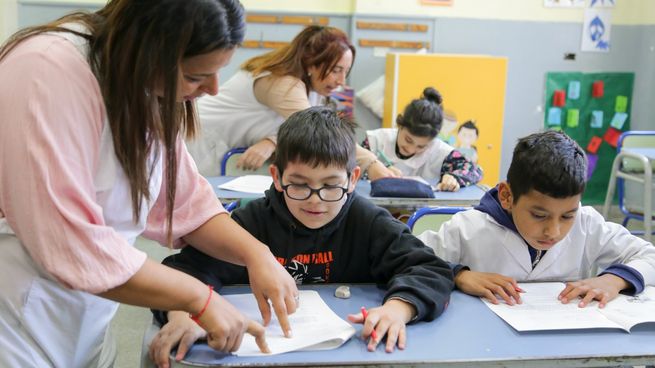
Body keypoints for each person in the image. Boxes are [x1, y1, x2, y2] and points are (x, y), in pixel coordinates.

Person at [0, 1, 299, 367]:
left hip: (83, 317)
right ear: (148, 48)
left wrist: (257, 254)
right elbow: (69, 242)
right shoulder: (45, 71)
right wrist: (198, 298)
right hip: (14, 319)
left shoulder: (142, 87)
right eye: (194, 75)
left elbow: (185, 205)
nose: (214, 89)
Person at [148, 106, 455, 365]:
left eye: (331, 185)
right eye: (299, 184)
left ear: (353, 180)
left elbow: (431, 269)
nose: (315, 199)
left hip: (348, 355)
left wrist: (397, 309)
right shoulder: (252, 222)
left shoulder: (368, 220)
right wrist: (181, 315)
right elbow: (182, 270)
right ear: (277, 178)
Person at [419, 130, 655, 307]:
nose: (553, 231)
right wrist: (459, 274)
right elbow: (408, 259)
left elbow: (649, 256)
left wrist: (614, 280)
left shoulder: (587, 224)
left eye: (567, 215)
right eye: (539, 215)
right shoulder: (467, 228)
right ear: (506, 196)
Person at [186, 25, 395, 179]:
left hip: (223, 150)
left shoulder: (313, 89)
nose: (341, 81)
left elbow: (299, 126)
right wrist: (372, 164)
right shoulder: (283, 83)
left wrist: (271, 141)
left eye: (346, 72)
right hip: (199, 141)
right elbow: (319, 132)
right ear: (311, 63)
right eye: (336, 70)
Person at [362, 87, 482, 191]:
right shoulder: (376, 141)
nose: (411, 149)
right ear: (400, 124)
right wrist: (373, 169)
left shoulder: (442, 152)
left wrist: (453, 177)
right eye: (408, 140)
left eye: (421, 146)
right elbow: (350, 169)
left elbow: (475, 171)